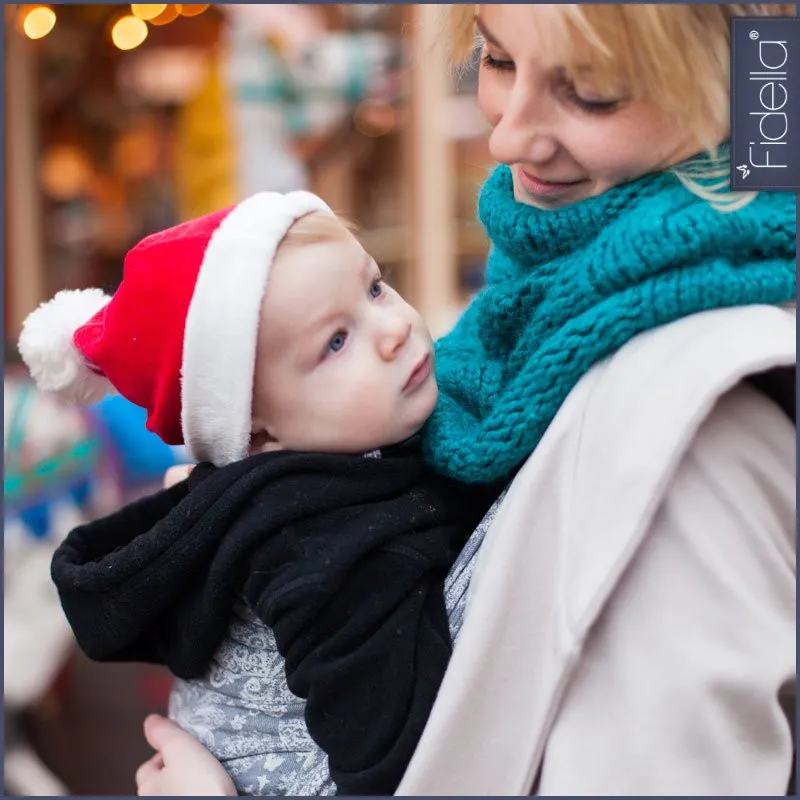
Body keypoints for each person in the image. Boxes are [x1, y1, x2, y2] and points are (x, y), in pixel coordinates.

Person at [135, 3, 796, 796]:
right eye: (497, 59)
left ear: (735, 85)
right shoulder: (535, 330)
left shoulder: (701, 422)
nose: (508, 137)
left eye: (591, 90)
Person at [19, 193, 496, 796]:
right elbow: (401, 763)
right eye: (335, 342)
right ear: (260, 432)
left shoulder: (348, 464)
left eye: (375, 288)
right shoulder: (321, 545)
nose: (396, 328)